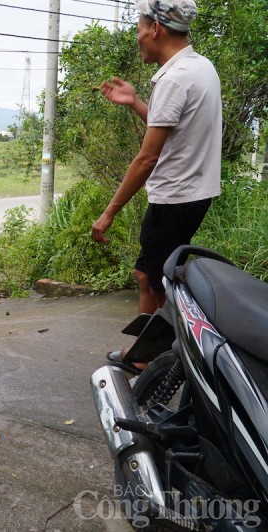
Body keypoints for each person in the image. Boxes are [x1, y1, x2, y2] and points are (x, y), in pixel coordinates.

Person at [91, 0, 221, 374]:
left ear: (156, 29)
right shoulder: (199, 68)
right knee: (151, 275)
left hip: (175, 196)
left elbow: (147, 158)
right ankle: (151, 351)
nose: (137, 37)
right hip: (193, 192)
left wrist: (109, 211)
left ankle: (154, 357)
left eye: (139, 27)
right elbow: (170, 126)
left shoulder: (173, 78)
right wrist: (134, 102)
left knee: (156, 279)